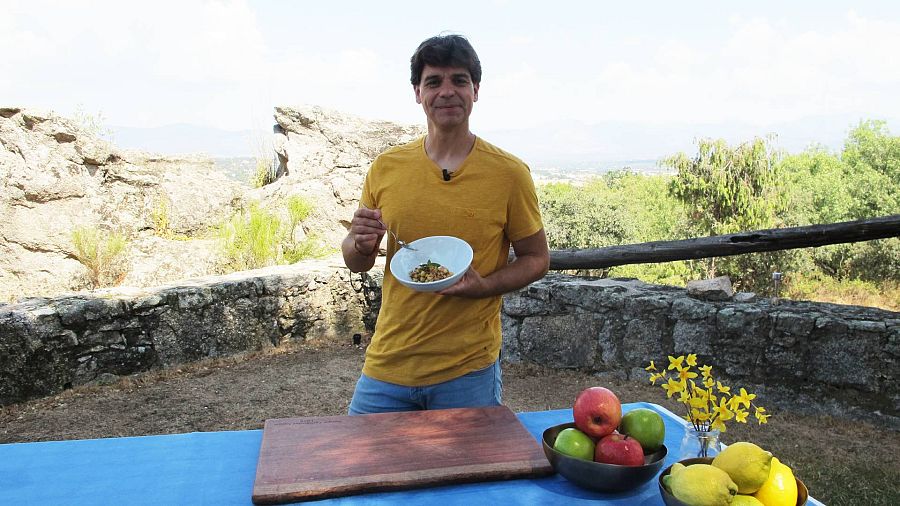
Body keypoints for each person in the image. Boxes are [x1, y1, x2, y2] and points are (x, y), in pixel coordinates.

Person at [342, 34, 550, 414]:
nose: (447, 91)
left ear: (476, 90)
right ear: (417, 93)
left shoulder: (509, 173)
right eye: (434, 81)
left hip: (468, 372)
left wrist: (484, 287)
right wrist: (359, 242)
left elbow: (537, 258)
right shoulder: (387, 168)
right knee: (360, 455)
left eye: (459, 80)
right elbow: (357, 261)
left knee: (471, 459)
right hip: (388, 365)